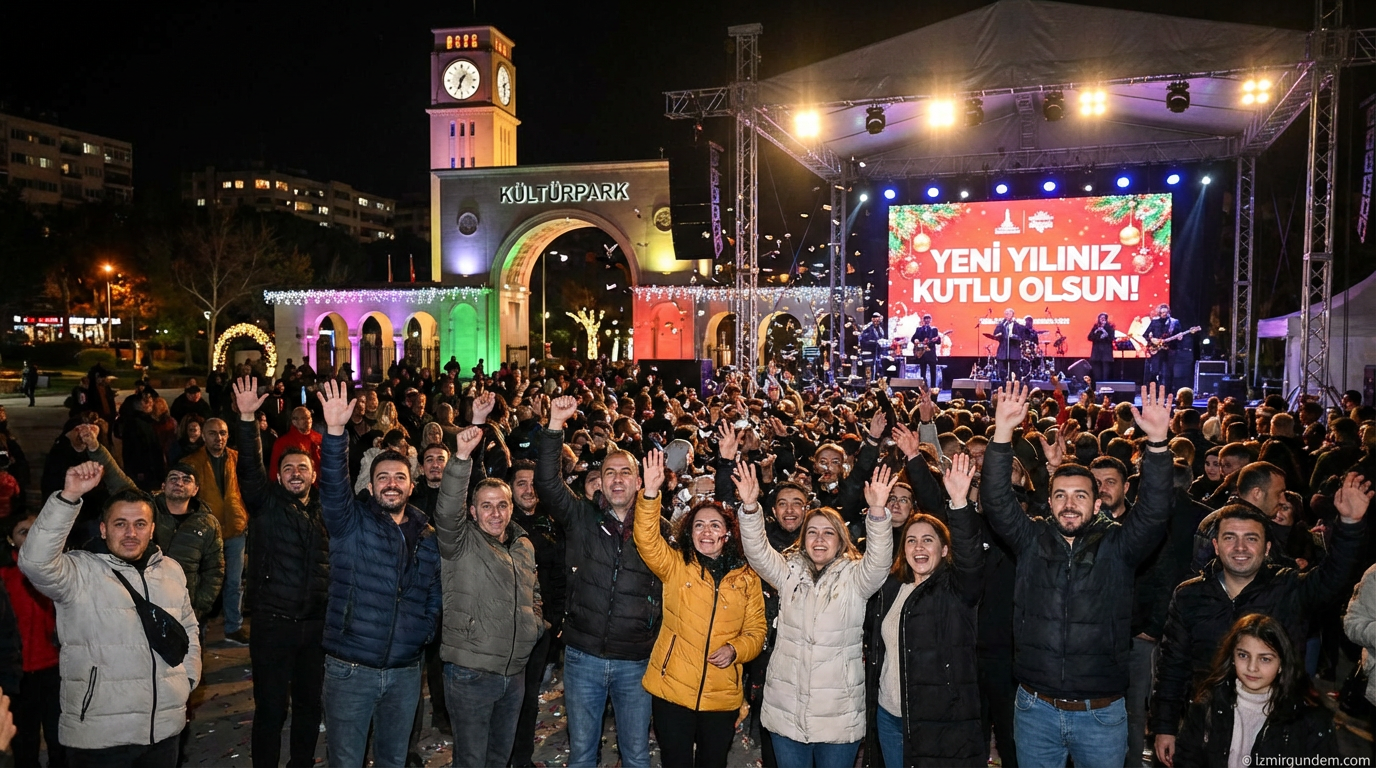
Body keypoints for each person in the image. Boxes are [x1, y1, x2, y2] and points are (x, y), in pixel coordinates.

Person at [981, 381, 1174, 768]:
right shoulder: (1031, 540)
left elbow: (1153, 512)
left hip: (1100, 714)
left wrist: (1156, 444)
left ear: (1098, 502)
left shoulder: (1119, 547)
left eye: (1080, 496)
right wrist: (1002, 433)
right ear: (1048, 500)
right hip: (1036, 709)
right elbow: (997, 501)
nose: (1070, 505)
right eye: (1060, 496)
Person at [1151, 481, 1370, 766]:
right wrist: (1164, 726)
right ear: (1216, 546)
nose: (1240, 547)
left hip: (1281, 726)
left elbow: (1334, 578)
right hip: (1208, 725)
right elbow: (1172, 667)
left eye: (1251, 538)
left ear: (1267, 548)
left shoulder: (1289, 588)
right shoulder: (1189, 595)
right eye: (1230, 537)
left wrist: (1350, 525)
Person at [19, 463, 201, 766]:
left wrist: (187, 679)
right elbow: (34, 563)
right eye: (120, 524)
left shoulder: (170, 570)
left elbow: (189, 629)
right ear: (103, 529)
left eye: (140, 524)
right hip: (99, 738)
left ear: (153, 528)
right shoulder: (78, 571)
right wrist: (68, 498)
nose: (131, 533)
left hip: (164, 732)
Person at [734, 461, 895, 768]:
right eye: (813, 532)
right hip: (787, 710)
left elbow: (879, 563)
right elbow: (757, 552)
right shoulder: (787, 571)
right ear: (803, 538)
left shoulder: (856, 579)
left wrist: (877, 513)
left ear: (841, 540)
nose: (819, 539)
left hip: (838, 716)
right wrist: (751, 507)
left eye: (828, 533)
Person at [315, 380, 441, 768]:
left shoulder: (425, 533)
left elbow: (433, 593)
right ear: (370, 486)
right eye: (383, 477)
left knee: (394, 760)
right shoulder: (350, 524)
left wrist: (423, 633)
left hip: (404, 672)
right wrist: (335, 432)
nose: (391, 483)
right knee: (347, 761)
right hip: (351, 669)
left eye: (399, 477)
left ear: (411, 484)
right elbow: (334, 490)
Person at [536, 395, 665, 768]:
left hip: (635, 660)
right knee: (581, 755)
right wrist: (555, 426)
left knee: (637, 755)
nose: (617, 479)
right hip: (583, 657)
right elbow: (547, 482)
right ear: (599, 484)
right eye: (609, 472)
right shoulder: (581, 517)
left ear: (640, 481)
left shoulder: (659, 529)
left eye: (625, 472)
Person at [636, 450, 766, 768]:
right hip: (672, 690)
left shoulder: (747, 577)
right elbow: (647, 540)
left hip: (722, 694)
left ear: (727, 533)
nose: (706, 531)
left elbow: (757, 630)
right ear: (689, 532)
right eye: (698, 526)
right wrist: (650, 493)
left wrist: (736, 650)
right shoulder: (676, 565)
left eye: (713, 525)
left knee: (713, 762)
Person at [231, 377, 330, 768]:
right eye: (287, 468)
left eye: (301, 468)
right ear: (279, 474)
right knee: (271, 709)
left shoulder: (328, 510)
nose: (294, 473)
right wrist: (246, 417)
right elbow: (251, 468)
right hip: (274, 624)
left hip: (315, 626)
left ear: (313, 474)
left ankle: (301, 763)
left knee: (309, 706)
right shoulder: (265, 503)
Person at [863, 452, 985, 768]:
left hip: (940, 721)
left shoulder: (958, 589)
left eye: (928, 540)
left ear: (944, 550)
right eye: (912, 541)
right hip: (889, 715)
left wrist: (959, 503)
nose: (919, 547)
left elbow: (971, 556)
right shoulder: (891, 588)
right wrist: (877, 509)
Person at [433, 426, 543, 768]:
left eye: (502, 505)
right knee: (471, 759)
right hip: (471, 673)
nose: (495, 514)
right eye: (486, 506)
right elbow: (447, 510)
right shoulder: (460, 542)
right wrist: (461, 458)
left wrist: (534, 626)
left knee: (499, 757)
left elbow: (533, 592)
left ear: (511, 508)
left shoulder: (523, 545)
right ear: (473, 511)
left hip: (514, 673)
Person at [80, 425, 225, 626]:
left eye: (186, 480)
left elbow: (214, 570)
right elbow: (117, 479)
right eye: (173, 478)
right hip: (145, 605)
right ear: (163, 486)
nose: (179, 483)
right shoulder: (147, 509)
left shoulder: (207, 523)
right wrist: (96, 448)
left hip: (186, 610)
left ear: (195, 489)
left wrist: (199, 605)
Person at [1174, 614, 1337, 767]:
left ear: (1282, 663)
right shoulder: (1208, 702)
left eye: (1265, 659)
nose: (1252, 668)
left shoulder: (1308, 718)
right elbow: (1187, 759)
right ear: (1232, 657)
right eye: (1243, 655)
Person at [508, 459, 566, 768]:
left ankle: (521, 759)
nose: (528, 490)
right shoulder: (501, 521)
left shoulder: (553, 521)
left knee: (529, 698)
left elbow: (560, 575)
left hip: (542, 627)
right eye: (521, 483)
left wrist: (555, 620)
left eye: (533, 484)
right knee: (507, 699)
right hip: (507, 629)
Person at [183, 418, 250, 645]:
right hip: (207, 535)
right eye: (212, 433)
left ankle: (233, 626)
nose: (218, 438)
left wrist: (245, 516)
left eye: (222, 433)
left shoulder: (238, 459)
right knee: (205, 583)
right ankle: (199, 627)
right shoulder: (192, 463)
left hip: (235, 528)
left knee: (234, 582)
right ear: (203, 435)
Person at [0, 513, 50, 768]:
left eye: (35, 530)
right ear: (11, 539)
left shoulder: (55, 566)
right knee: (25, 739)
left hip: (53, 666)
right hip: (19, 672)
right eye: (23, 532)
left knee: (59, 736)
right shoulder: (4, 573)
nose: (30, 537)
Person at [268, 407, 322, 484]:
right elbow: (274, 471)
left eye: (309, 417)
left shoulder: (319, 438)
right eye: (303, 418)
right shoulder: (283, 443)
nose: (308, 421)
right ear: (294, 421)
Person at [1143, 304, 1183, 393]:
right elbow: (1145, 335)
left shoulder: (1174, 322)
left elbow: (1179, 335)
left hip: (1170, 350)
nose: (1164, 314)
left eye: (1166, 312)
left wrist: (1180, 338)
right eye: (1162, 312)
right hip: (1157, 350)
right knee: (1154, 372)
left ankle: (1168, 393)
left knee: (1169, 373)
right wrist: (1152, 339)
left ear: (1168, 312)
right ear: (1159, 313)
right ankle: (1153, 392)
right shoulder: (1154, 322)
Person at [910, 314, 942, 388]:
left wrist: (936, 340)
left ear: (930, 320)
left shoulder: (934, 330)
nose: (927, 320)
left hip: (931, 354)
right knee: (923, 372)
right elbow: (913, 339)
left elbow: (938, 342)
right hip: (922, 354)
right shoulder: (919, 329)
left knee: (933, 371)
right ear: (923, 320)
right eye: (925, 319)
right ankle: (923, 387)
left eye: (928, 319)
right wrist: (915, 340)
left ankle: (933, 387)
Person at [992, 308, 1023, 381]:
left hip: (1014, 353)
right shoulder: (1002, 324)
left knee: (1015, 372)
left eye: (1008, 314)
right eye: (1005, 314)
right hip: (1003, 353)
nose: (1006, 316)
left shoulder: (1018, 326)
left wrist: (1013, 336)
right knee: (1002, 372)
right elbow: (995, 334)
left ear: (1012, 314)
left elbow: (1021, 337)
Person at [1088, 313, 1116, 385]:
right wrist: (1096, 332)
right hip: (1096, 353)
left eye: (1104, 318)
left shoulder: (1110, 327)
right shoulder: (1095, 327)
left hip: (1106, 354)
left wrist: (1105, 332)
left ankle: (1105, 387)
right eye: (1101, 317)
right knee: (1097, 373)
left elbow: (1111, 338)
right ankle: (1097, 387)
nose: (1102, 319)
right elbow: (1089, 337)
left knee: (1105, 373)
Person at [859, 313, 888, 381]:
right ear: (872, 319)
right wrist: (875, 342)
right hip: (869, 354)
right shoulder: (867, 329)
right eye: (875, 321)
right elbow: (863, 341)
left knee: (878, 368)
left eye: (878, 321)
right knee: (870, 370)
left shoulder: (880, 329)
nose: (876, 323)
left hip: (877, 353)